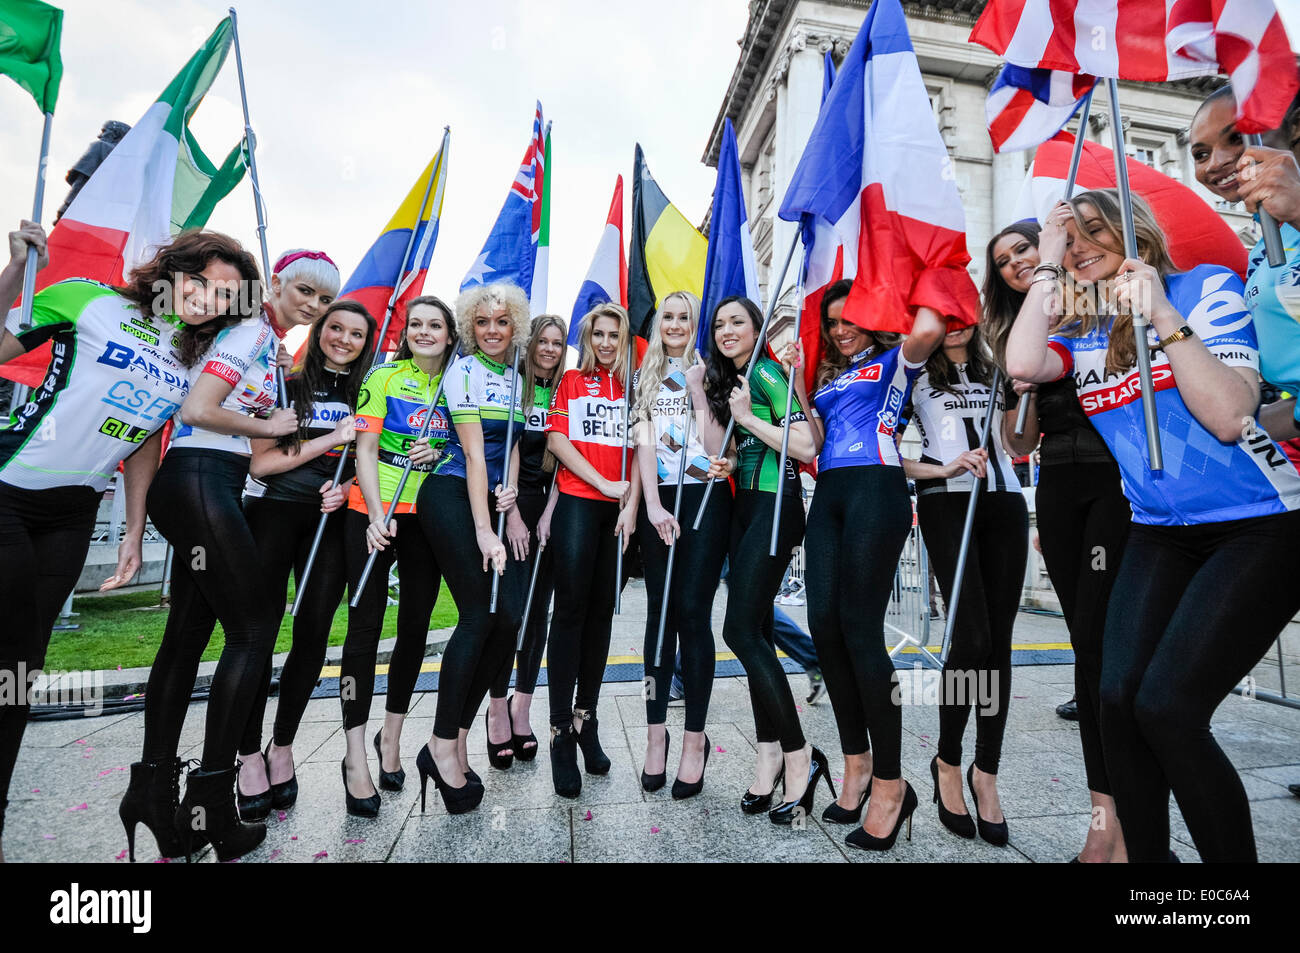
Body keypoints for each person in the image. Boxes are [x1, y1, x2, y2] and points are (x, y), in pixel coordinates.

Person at [1006, 188, 1300, 862]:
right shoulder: (1077, 323)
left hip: (1260, 521)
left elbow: (1231, 415)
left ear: (1129, 230)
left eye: (1088, 232)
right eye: (1066, 237)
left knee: (1167, 707)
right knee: (1114, 699)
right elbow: (1022, 365)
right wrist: (1047, 259)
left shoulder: (1204, 287)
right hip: (1159, 530)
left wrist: (1164, 314)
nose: (1078, 247)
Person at [0, 225, 256, 863]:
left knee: (23, 668)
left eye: (225, 294)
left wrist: (135, 530)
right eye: (200, 280)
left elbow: (143, 435)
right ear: (172, 268)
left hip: (73, 509)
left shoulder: (191, 353)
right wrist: (13, 271)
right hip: (9, 489)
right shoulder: (90, 299)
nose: (206, 298)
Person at [126, 240, 318, 863]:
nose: (312, 304)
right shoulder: (250, 333)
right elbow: (197, 409)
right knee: (255, 629)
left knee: (186, 636)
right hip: (201, 481)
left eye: (323, 296)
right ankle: (210, 804)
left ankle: (153, 791)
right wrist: (271, 425)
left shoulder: (262, 341)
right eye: (303, 290)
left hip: (208, 484)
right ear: (277, 286)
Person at [982, 222, 1130, 862]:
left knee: (1106, 656)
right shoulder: (1020, 336)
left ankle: (1118, 832)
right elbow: (1018, 445)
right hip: (1061, 489)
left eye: (1025, 248)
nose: (1017, 262)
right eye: (1005, 259)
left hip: (1120, 481)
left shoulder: (1102, 302)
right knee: (1088, 653)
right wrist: (1027, 396)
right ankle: (1112, 822)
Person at [794, 279, 947, 850]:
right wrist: (800, 389)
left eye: (848, 318)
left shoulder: (895, 359)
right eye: (832, 322)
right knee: (826, 630)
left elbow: (930, 328)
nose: (838, 329)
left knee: (860, 632)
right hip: (830, 494)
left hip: (875, 492)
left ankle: (891, 783)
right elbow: (816, 442)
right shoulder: (831, 376)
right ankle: (855, 767)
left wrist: (916, 272)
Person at [233, 297, 376, 820]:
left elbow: (376, 455)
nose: (344, 339)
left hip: (331, 522)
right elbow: (265, 462)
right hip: (273, 516)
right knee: (258, 636)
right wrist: (331, 441)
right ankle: (247, 753)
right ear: (318, 332)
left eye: (356, 334)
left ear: (367, 343)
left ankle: (283, 745)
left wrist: (352, 484)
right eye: (334, 327)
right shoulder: (285, 384)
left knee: (313, 633)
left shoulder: (368, 392)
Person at [701, 295, 826, 825]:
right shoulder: (734, 379)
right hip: (747, 508)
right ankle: (768, 754)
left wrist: (747, 418)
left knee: (740, 633)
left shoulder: (770, 374)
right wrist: (730, 458)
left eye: (738, 322)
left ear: (757, 329)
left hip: (776, 509)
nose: (728, 330)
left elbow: (802, 445)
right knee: (756, 632)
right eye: (721, 324)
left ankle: (800, 757)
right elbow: (754, 446)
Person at [901, 322, 1027, 847]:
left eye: (963, 311)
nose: (954, 323)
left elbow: (1021, 440)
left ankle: (987, 774)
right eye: (943, 312)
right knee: (971, 638)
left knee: (998, 644)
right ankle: (947, 760)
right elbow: (884, 450)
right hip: (947, 501)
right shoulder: (912, 374)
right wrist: (938, 467)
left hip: (1005, 500)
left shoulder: (998, 370)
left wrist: (1027, 393)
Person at [338, 298, 457, 816]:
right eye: (416, 325)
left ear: (450, 336)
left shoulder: (457, 384)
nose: (424, 332)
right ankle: (353, 756)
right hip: (374, 509)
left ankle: (392, 738)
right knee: (363, 627)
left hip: (427, 515)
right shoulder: (385, 377)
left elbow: (466, 447)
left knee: (414, 627)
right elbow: (363, 450)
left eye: (435, 326)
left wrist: (441, 450)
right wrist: (375, 515)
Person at [412, 282, 528, 814]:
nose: (492, 331)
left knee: (506, 621)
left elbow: (512, 455)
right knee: (478, 617)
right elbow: (478, 457)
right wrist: (485, 530)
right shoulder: (464, 371)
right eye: (482, 322)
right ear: (470, 326)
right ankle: (440, 745)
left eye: (501, 322)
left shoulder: (516, 375)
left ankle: (454, 739)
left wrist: (511, 505)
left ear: (514, 326)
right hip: (452, 493)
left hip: (490, 500)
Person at [632, 291, 728, 798]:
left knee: (693, 614)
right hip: (660, 500)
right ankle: (655, 736)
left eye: (684, 317)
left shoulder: (713, 371)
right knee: (659, 616)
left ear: (696, 324)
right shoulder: (642, 377)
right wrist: (650, 506)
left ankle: (694, 740)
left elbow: (717, 446)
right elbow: (644, 444)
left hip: (706, 496)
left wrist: (696, 390)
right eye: (667, 317)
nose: (674, 324)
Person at [544, 302, 639, 798]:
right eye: (598, 334)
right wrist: (603, 482)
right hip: (580, 503)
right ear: (588, 337)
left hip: (618, 513)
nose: (606, 343)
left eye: (614, 335)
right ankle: (559, 729)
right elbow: (557, 440)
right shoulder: (572, 382)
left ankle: (587, 719)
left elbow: (642, 451)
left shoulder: (635, 387)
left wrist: (631, 506)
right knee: (571, 613)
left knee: (603, 615)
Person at [486, 313, 568, 764]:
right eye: (543, 340)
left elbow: (567, 457)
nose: (550, 349)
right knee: (507, 612)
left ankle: (522, 707)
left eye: (558, 343)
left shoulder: (563, 391)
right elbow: (500, 450)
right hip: (507, 505)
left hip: (550, 507)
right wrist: (513, 514)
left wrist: (550, 513)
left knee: (538, 612)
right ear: (530, 343)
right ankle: (496, 708)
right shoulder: (508, 386)